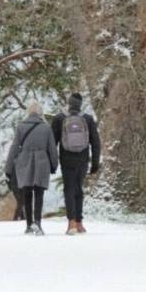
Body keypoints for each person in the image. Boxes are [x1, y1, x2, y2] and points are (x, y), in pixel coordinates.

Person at [4, 101, 58, 235]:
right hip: (42, 162)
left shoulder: (21, 127)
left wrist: (8, 168)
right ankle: (38, 224)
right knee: (39, 193)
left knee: (27, 193)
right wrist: (54, 165)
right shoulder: (46, 127)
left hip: (24, 162)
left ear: (28, 112)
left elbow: (14, 148)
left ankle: (28, 225)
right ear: (40, 113)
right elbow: (52, 149)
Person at [52, 93, 101, 235]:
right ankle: (79, 223)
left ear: (69, 103)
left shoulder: (60, 118)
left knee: (69, 189)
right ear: (80, 104)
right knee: (79, 189)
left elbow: (52, 143)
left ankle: (71, 223)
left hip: (66, 159)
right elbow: (95, 142)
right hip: (83, 160)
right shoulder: (87, 119)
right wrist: (95, 163)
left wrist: (53, 163)